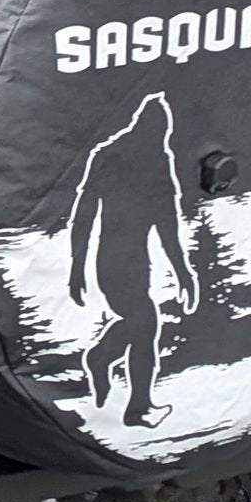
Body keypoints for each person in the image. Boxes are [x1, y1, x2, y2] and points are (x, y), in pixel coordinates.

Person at [67, 92, 200, 427]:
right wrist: (183, 273)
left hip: (116, 261)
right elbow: (166, 227)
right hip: (122, 262)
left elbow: (85, 217)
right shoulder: (151, 159)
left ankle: (101, 358)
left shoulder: (111, 154)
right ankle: (138, 408)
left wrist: (78, 267)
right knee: (145, 325)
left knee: (140, 323)